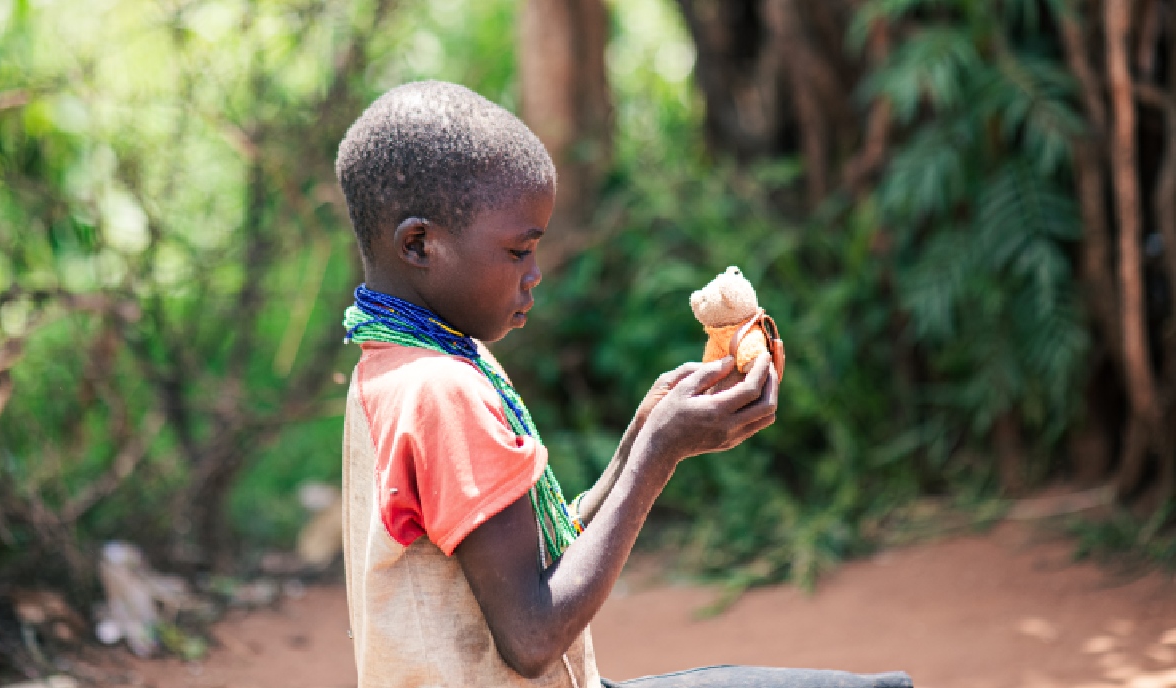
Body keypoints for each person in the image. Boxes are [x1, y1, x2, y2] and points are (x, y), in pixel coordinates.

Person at [334, 80, 912, 688]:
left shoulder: (399, 364)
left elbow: (541, 556)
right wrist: (659, 455)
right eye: (517, 251)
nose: (534, 275)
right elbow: (533, 636)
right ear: (420, 244)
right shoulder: (441, 390)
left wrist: (643, 434)